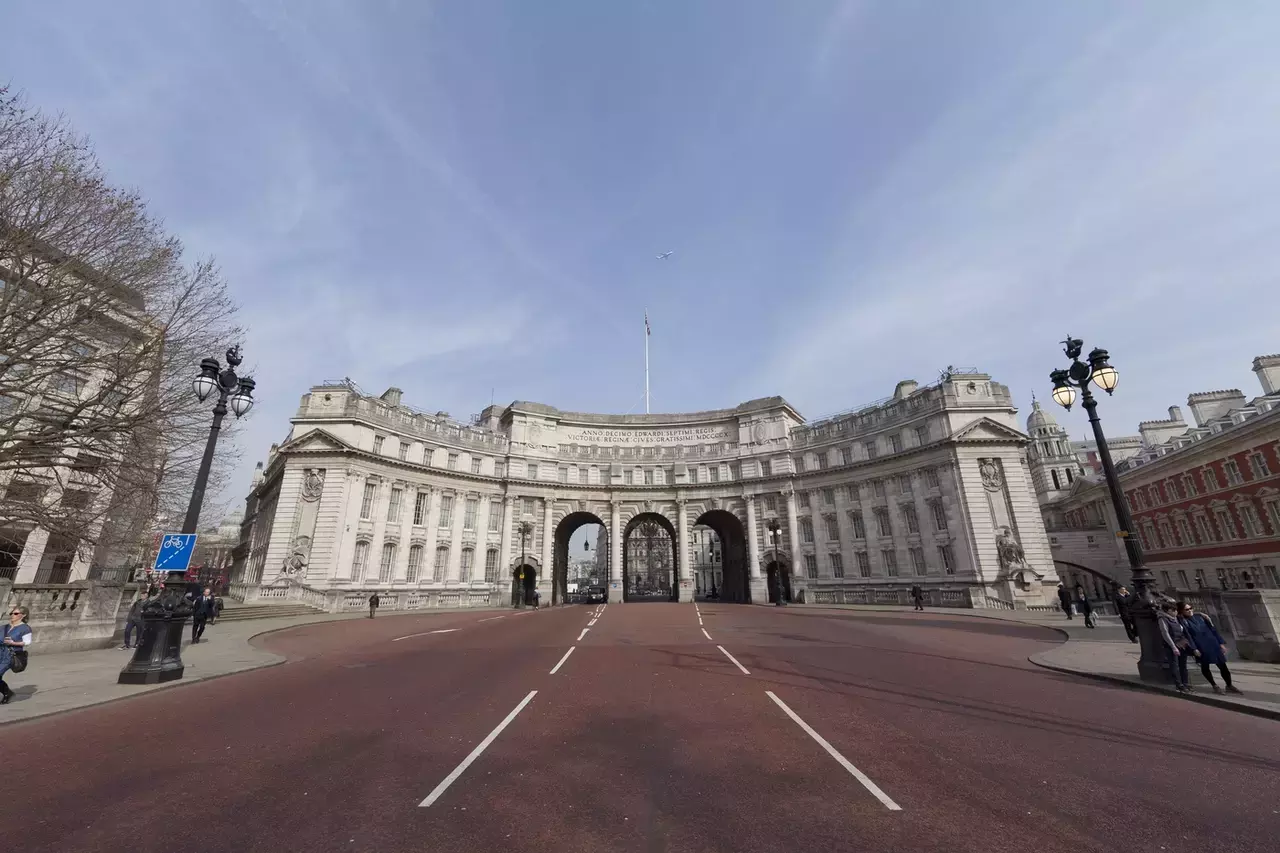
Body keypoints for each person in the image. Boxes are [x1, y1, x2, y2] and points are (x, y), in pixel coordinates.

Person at [1179, 601, 1241, 695]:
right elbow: (1188, 637)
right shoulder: (1184, 622)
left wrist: (1220, 643)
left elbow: (1213, 630)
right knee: (1205, 666)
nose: (1190, 610)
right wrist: (1194, 649)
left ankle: (1229, 685)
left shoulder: (1201, 618)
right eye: (1187, 609)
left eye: (1191, 608)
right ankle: (1214, 686)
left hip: (1213, 643)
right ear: (1182, 611)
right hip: (1200, 646)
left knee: (1223, 666)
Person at [1157, 600, 1194, 693]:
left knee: (1183, 665)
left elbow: (1190, 613)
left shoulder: (1176, 617)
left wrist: (1201, 614)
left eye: (1176, 610)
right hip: (1171, 645)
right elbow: (1165, 633)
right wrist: (1173, 647)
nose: (1176, 612)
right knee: (1175, 665)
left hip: (1181, 643)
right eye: (1174, 610)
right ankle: (1179, 685)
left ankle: (1185, 683)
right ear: (1168, 611)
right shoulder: (1163, 618)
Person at [1, 605, 33, 705]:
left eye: (15, 613)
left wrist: (13, 643)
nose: (12, 615)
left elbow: (27, 642)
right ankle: (8, 693)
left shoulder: (25, 628)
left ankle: (7, 693)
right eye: (12, 613)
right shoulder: (4, 627)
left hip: (10, 655)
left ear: (23, 615)